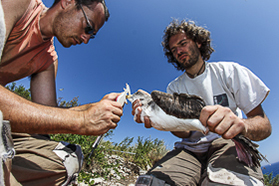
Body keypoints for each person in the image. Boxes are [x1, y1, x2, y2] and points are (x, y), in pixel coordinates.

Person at [132, 19, 271, 186]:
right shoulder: (174, 87)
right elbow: (184, 132)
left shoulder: (229, 71)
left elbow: (264, 125)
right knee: (153, 183)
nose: (178, 51)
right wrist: (159, 121)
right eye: (174, 49)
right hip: (189, 150)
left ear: (198, 42)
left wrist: (243, 126)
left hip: (227, 142)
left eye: (183, 43)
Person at [0, 0, 124, 185]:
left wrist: (92, 109)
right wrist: (82, 121)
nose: (86, 39)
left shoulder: (48, 59)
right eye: (88, 28)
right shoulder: (19, 4)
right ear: (67, 2)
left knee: (67, 158)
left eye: (92, 35)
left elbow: (45, 120)